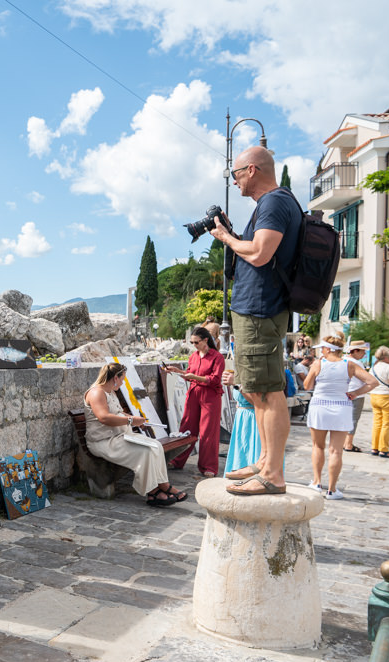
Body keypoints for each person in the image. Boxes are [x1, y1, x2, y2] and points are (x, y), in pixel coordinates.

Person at [211, 146, 301, 495]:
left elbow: (262, 253)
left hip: (262, 310)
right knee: (254, 388)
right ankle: (264, 461)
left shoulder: (275, 202)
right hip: (256, 310)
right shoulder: (274, 204)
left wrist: (227, 238)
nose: (234, 183)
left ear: (251, 170)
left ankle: (273, 475)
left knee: (267, 390)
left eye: (234, 175)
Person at [84, 362, 187, 506]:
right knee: (145, 451)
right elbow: (104, 417)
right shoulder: (96, 393)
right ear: (115, 378)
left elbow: (118, 413)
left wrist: (138, 420)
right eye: (122, 378)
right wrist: (131, 420)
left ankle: (162, 484)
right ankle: (153, 491)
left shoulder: (110, 392)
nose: (123, 381)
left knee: (155, 446)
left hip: (120, 436)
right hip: (104, 441)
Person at [302, 333, 378, 500]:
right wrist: (355, 393)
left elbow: (307, 385)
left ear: (328, 349)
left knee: (318, 447)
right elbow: (373, 382)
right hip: (341, 407)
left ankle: (316, 483)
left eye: (322, 348)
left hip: (319, 406)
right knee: (336, 451)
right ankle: (332, 490)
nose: (321, 351)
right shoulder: (349, 364)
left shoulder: (318, 363)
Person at [165, 326, 224, 476]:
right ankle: (177, 460)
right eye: (192, 342)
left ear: (205, 340)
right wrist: (177, 371)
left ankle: (208, 467)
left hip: (210, 395)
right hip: (193, 393)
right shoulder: (194, 356)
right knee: (187, 427)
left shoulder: (217, 357)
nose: (194, 345)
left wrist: (193, 377)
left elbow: (215, 379)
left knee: (208, 432)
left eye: (196, 342)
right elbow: (190, 374)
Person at [222, 371, 261, 476]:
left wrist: (237, 384)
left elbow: (256, 401)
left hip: (254, 420)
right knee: (241, 454)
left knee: (252, 454)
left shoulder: (258, 372)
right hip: (242, 418)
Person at [342, 340, 370, 453]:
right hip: (356, 393)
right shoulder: (356, 363)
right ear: (356, 351)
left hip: (344, 392)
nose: (364, 354)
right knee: (353, 418)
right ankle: (348, 444)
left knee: (345, 419)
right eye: (363, 351)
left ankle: (344, 442)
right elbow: (365, 379)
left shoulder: (343, 360)